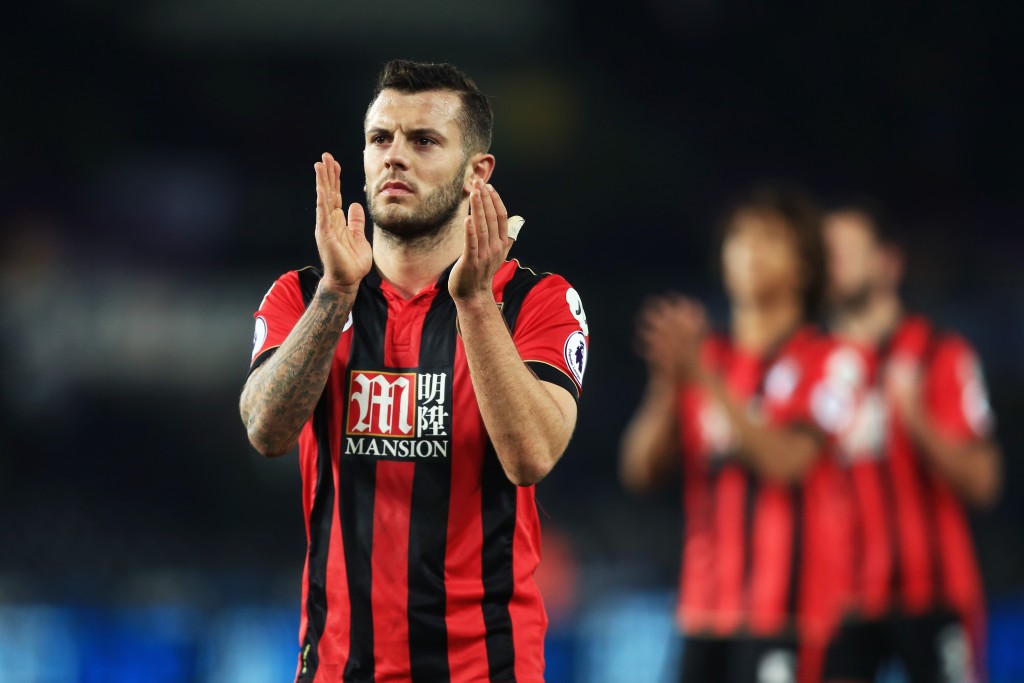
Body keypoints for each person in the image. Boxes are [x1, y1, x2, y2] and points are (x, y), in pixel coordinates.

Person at [239, 59, 589, 683]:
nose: (394, 156)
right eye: (381, 139)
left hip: (487, 668)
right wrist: (335, 297)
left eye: (424, 140)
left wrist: (475, 302)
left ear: (476, 173)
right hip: (336, 668)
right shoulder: (304, 293)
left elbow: (532, 455)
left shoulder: (537, 301)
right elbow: (266, 431)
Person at [619, 185, 863, 683]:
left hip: (789, 617)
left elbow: (788, 461)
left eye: (769, 238)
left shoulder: (831, 360)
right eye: (739, 237)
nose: (749, 250)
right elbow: (639, 472)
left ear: (805, 266)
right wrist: (669, 386)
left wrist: (704, 378)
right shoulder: (705, 359)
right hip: (703, 612)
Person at [820, 201, 1001, 683]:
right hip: (841, 602)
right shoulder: (809, 366)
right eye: (825, 253)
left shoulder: (941, 354)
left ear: (888, 263)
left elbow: (984, 483)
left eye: (846, 250)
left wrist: (917, 419)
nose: (831, 264)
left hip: (935, 594)